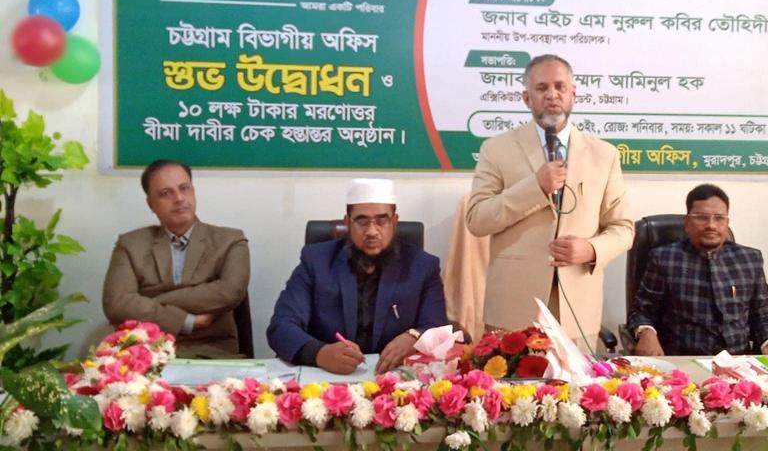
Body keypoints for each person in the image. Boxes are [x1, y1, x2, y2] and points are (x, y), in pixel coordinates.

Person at [466, 54, 633, 351]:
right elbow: (477, 220)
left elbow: (623, 228)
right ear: (526, 98)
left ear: (573, 93)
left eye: (560, 87)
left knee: (577, 382)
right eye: (542, 88)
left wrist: (591, 249)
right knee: (509, 383)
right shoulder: (496, 148)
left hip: (578, 311)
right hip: (513, 310)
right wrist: (535, 188)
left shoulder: (604, 154)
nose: (552, 95)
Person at [267, 179, 446, 374]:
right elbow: (281, 326)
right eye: (362, 221)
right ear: (347, 223)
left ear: (394, 222)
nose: (372, 231)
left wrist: (414, 337)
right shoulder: (316, 261)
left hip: (394, 378)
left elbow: (436, 327)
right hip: (326, 377)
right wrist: (319, 353)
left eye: (382, 221)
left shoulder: (422, 266)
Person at [102, 159, 250, 358]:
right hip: (145, 354)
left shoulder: (230, 241)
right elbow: (117, 304)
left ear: (193, 191)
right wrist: (187, 321)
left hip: (212, 352)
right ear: (151, 204)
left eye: (184, 188)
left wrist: (152, 302)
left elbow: (230, 291)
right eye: (166, 193)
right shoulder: (130, 244)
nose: (179, 198)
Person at [627, 183, 768, 356]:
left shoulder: (750, 259)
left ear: (727, 223)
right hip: (682, 361)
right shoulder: (664, 258)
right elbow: (642, 311)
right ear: (687, 223)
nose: (711, 225)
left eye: (719, 218)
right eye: (702, 217)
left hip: (738, 361)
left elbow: (761, 316)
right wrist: (646, 332)